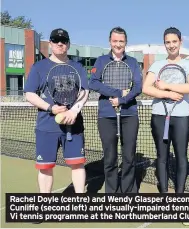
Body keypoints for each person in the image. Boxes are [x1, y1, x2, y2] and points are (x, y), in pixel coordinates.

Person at [24, 28, 89, 194]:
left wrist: (74, 111)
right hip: (46, 126)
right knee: (45, 167)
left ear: (68, 44)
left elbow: (84, 91)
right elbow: (30, 93)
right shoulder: (39, 67)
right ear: (50, 43)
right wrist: (50, 107)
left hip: (73, 125)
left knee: (77, 164)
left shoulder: (77, 67)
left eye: (64, 41)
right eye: (56, 40)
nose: (60, 44)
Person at [142, 27, 189, 194]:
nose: (171, 45)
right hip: (159, 116)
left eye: (174, 41)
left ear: (180, 42)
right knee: (162, 156)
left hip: (181, 117)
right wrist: (168, 94)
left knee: (181, 156)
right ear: (164, 44)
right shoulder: (157, 65)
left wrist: (166, 86)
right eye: (168, 42)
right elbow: (146, 87)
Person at [89, 27, 142, 193]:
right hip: (106, 116)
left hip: (129, 115)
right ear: (110, 42)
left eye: (121, 41)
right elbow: (93, 83)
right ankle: (111, 192)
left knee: (129, 156)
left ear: (125, 42)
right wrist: (118, 93)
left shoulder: (133, 62)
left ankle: (128, 191)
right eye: (115, 41)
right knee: (110, 157)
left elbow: (138, 86)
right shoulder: (101, 61)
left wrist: (122, 100)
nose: (118, 44)